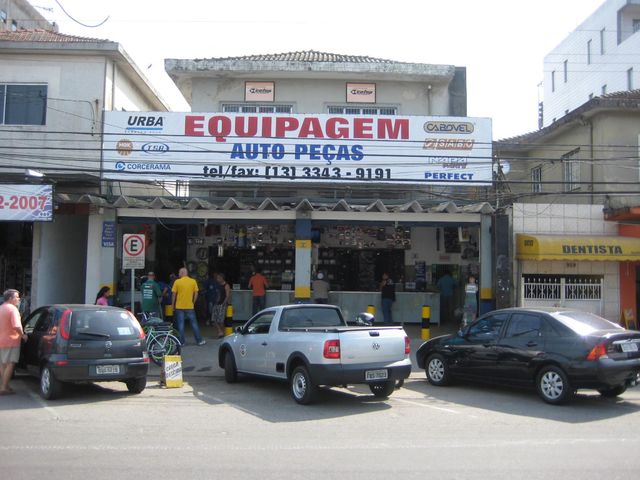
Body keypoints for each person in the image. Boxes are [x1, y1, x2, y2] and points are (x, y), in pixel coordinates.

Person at [0, 289, 27, 395]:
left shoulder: (1, 308)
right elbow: (16, 326)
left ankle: (4, 385)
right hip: (11, 340)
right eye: (17, 297)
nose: (19, 299)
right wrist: (23, 335)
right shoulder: (13, 310)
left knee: (2, 364)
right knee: (10, 363)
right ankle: (4, 387)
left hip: (1, 340)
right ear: (11, 298)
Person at [171, 267, 205, 346]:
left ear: (182, 273)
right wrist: (193, 301)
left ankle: (182, 342)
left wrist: (173, 305)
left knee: (181, 324)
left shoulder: (177, 282)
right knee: (194, 324)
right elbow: (196, 293)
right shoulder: (193, 281)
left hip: (179, 307)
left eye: (179, 272)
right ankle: (199, 341)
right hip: (190, 306)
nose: (178, 274)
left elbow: (174, 295)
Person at [212, 273, 231, 338]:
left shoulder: (226, 285)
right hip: (216, 304)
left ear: (222, 278)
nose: (217, 279)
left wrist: (224, 304)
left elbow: (227, 296)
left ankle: (221, 332)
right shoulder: (218, 285)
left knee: (221, 320)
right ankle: (220, 331)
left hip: (222, 304)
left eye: (218, 278)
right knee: (214, 320)